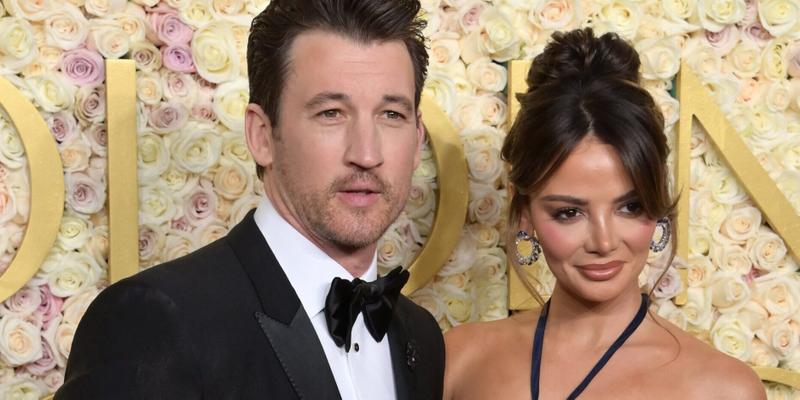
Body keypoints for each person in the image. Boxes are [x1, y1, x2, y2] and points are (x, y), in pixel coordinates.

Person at [55, 1, 444, 399]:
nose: (366, 153)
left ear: (417, 141)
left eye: (391, 114)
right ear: (261, 136)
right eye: (331, 113)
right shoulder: (152, 321)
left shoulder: (422, 338)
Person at [443, 28, 765, 400]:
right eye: (568, 213)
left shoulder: (724, 389)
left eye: (630, 207)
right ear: (525, 210)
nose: (605, 241)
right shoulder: (461, 360)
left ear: (657, 196)